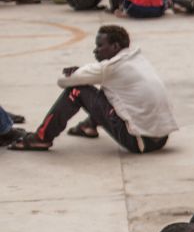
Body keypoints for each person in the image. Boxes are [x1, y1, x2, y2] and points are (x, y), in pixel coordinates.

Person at [12, 25, 177, 154]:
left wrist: (79, 73)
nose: (95, 50)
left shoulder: (110, 68)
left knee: (77, 90)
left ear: (115, 46)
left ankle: (41, 137)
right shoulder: (136, 59)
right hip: (160, 139)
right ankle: (88, 126)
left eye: (100, 46)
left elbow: (64, 82)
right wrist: (86, 72)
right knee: (108, 91)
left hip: (139, 142)